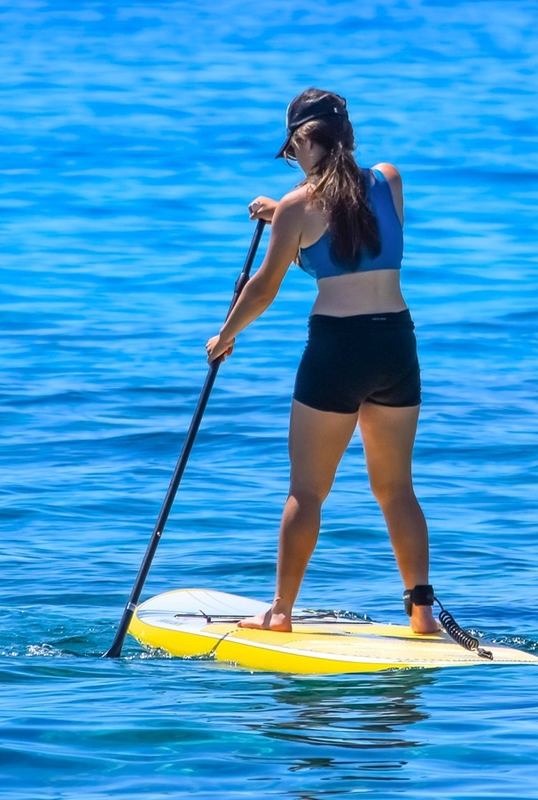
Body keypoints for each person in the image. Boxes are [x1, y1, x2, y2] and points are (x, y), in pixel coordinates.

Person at [205, 88, 440, 635]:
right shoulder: (389, 179)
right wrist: (284, 209)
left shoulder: (297, 207)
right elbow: (349, 215)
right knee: (396, 488)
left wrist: (225, 335)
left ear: (305, 140)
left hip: (338, 350)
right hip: (396, 344)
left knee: (307, 491)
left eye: (294, 149)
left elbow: (264, 290)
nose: (295, 158)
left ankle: (280, 612)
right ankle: (422, 613)